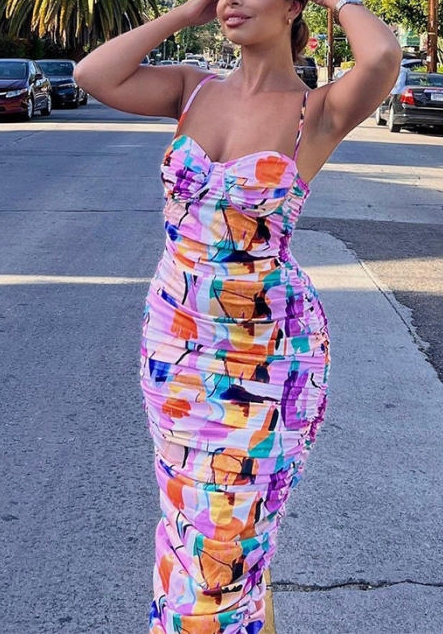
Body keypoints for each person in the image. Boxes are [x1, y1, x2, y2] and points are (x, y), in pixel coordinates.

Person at [75, 0, 401, 631]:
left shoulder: (317, 111)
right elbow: (93, 74)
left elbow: (382, 55)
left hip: (268, 357)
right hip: (173, 349)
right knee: (190, 530)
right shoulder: (191, 91)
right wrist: (186, 12)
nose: (231, 1)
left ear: (293, 5)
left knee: (224, 547)